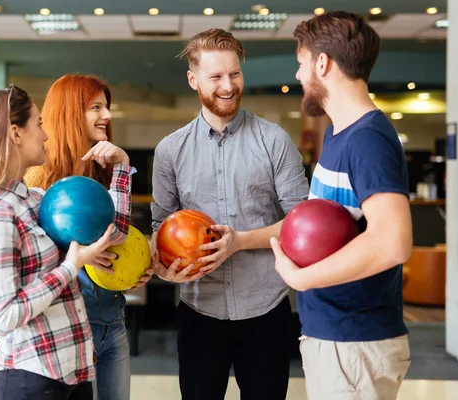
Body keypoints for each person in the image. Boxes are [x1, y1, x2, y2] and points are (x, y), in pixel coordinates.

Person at [150, 28, 310, 399]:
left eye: (234, 74)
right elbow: (162, 229)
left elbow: (302, 222)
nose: (228, 85)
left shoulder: (274, 141)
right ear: (193, 80)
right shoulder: (170, 151)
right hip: (198, 310)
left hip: (266, 309)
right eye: (216, 76)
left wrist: (240, 242)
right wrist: (165, 266)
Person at [268, 11, 413, 399]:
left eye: (301, 64)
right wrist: (241, 240)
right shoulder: (337, 133)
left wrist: (299, 280)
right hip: (335, 338)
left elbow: (392, 242)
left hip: (355, 344)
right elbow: (316, 227)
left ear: (322, 63)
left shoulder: (368, 139)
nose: (298, 77)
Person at [0, 84, 115, 400]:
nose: (46, 135)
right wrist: (70, 267)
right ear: (16, 133)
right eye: (38, 124)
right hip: (32, 378)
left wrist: (119, 171)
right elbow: (3, 316)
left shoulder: (33, 199)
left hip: (72, 371)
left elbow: (107, 231)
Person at [24, 73, 153, 400]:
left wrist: (133, 270)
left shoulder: (102, 169)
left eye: (106, 107)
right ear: (70, 114)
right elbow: (115, 233)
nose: (107, 116)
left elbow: (119, 241)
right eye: (95, 107)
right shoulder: (40, 188)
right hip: (70, 326)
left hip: (113, 318)